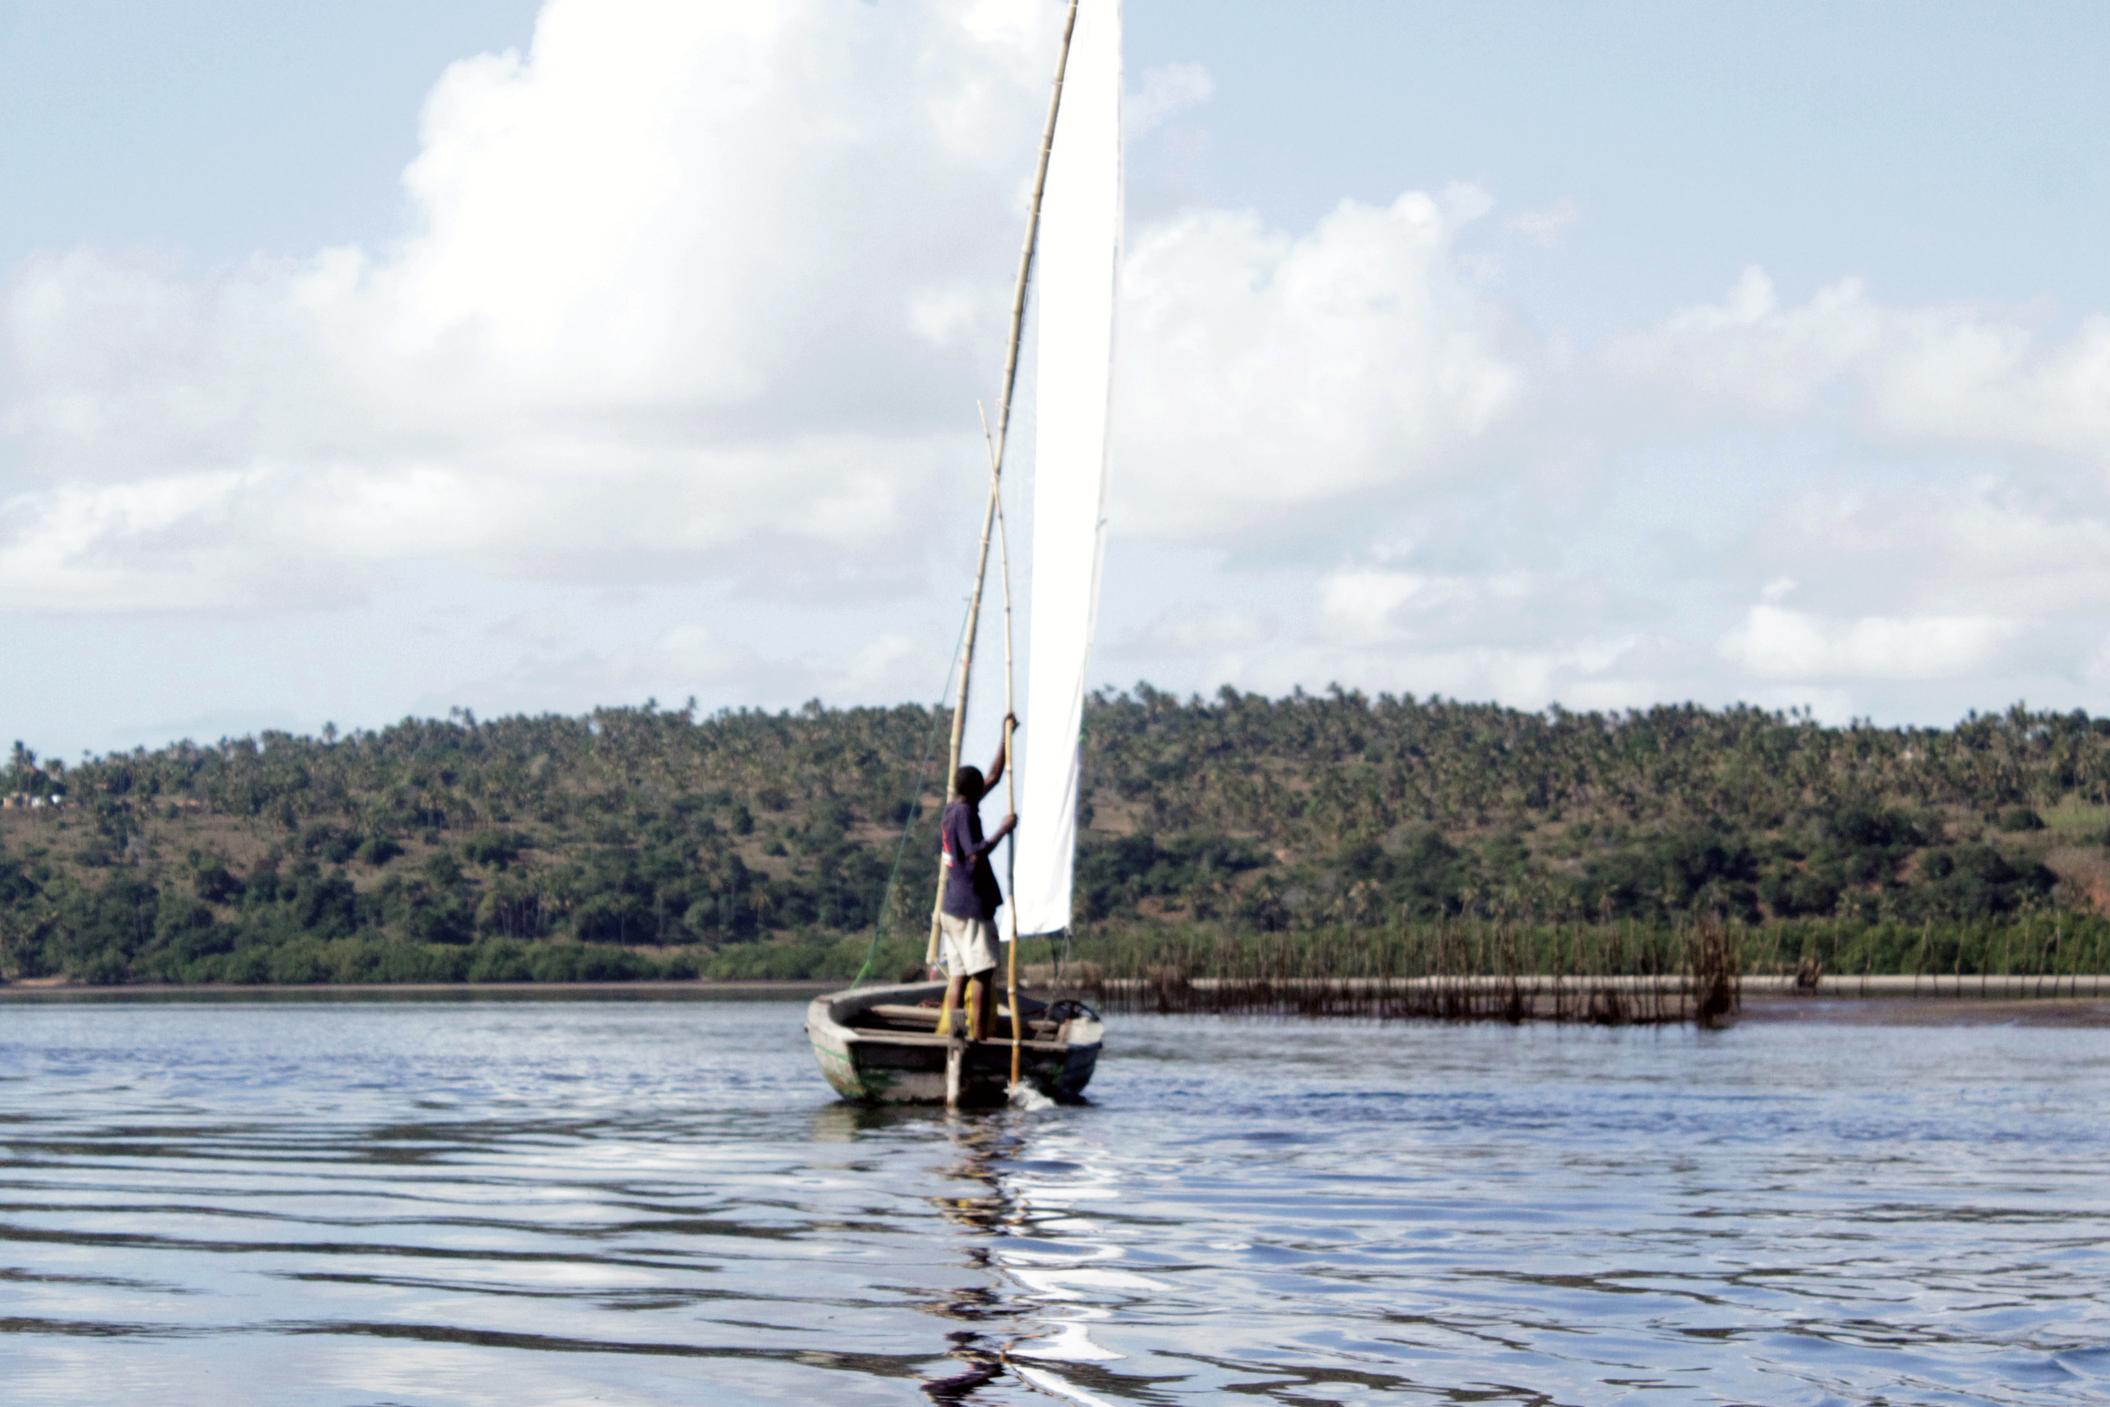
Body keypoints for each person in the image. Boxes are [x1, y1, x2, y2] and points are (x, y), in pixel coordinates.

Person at [937, 715, 1017, 1041]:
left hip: (951, 908)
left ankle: (955, 1034)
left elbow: (995, 776)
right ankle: (978, 1039)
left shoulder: (953, 808)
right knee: (982, 975)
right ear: (973, 791)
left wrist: (1006, 736)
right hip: (971, 906)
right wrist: (1004, 828)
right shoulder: (967, 813)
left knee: (958, 976)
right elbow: (975, 851)